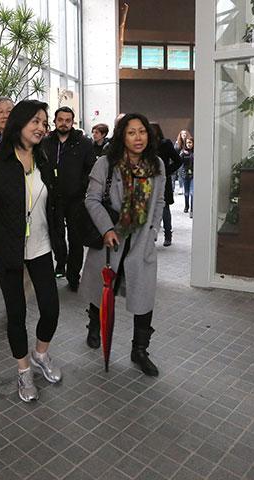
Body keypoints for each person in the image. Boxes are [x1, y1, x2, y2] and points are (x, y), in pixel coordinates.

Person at [0, 99, 66, 402]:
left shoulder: (44, 161)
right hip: (7, 249)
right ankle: (23, 370)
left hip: (41, 246)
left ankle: (40, 354)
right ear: (20, 123)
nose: (42, 127)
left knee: (51, 308)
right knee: (16, 313)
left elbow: (53, 205)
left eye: (44, 122)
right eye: (36, 121)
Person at [80, 113, 166, 376]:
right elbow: (92, 199)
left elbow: (159, 201)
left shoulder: (157, 164)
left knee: (144, 297)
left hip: (141, 243)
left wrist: (153, 231)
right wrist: (106, 229)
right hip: (112, 240)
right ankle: (95, 326)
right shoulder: (106, 164)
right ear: (122, 136)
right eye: (131, 132)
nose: (138, 137)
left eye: (142, 131)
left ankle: (140, 350)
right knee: (103, 290)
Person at [41, 106, 96, 290]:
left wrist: (82, 187)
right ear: (54, 121)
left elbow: (90, 168)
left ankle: (73, 275)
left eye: (67, 120)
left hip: (76, 199)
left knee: (75, 238)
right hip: (53, 198)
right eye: (60, 120)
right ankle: (60, 262)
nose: (63, 123)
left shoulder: (83, 143)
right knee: (56, 235)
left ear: (73, 122)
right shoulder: (45, 142)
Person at [150, 123, 182, 247]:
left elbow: (178, 161)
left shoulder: (165, 144)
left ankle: (168, 234)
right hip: (147, 180)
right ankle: (151, 235)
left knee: (164, 208)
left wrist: (166, 171)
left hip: (163, 180)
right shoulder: (145, 145)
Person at [180, 137, 194, 215]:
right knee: (186, 192)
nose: (189, 144)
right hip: (185, 174)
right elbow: (179, 162)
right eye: (188, 142)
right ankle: (186, 206)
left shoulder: (195, 152)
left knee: (192, 192)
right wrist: (182, 154)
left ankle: (192, 209)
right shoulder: (183, 152)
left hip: (193, 174)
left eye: (190, 142)